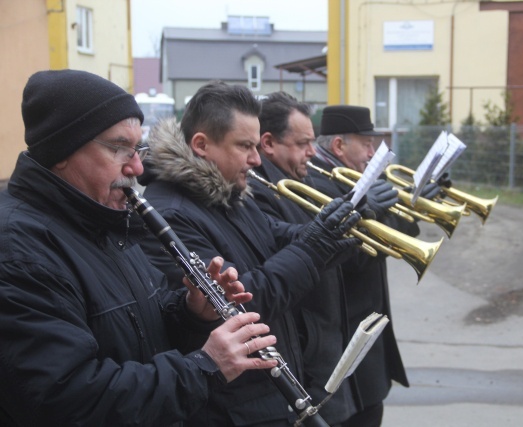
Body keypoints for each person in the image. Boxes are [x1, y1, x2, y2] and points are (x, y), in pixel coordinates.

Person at [0, 69, 278, 427]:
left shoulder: (103, 217)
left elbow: (142, 318)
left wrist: (192, 311)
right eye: (119, 148)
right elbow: (64, 398)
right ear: (61, 151)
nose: (137, 167)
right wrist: (205, 366)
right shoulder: (18, 249)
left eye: (138, 148)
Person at [138, 81, 362, 426]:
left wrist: (333, 233)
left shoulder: (227, 189)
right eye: (245, 146)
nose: (256, 160)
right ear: (202, 145)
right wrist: (314, 247)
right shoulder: (169, 214)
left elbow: (275, 234)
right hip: (234, 409)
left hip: (269, 396)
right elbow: (239, 304)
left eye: (256, 146)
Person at [250, 92, 365, 425]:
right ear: (268, 143)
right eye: (303, 143)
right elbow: (284, 259)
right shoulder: (260, 188)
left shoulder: (296, 180)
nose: (313, 153)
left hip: (322, 344)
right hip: (304, 350)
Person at [310, 105, 421, 427]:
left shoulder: (362, 178)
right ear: (339, 146)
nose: (373, 153)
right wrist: (368, 209)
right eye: (367, 144)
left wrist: (412, 201)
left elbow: (404, 235)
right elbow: (351, 258)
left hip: (370, 336)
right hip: (347, 334)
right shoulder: (323, 184)